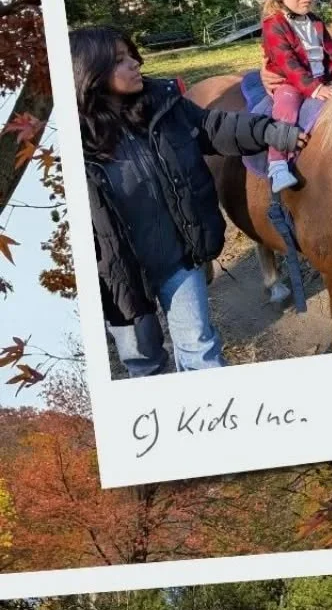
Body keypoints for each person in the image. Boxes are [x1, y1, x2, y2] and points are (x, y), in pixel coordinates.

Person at [72, 27, 305, 378]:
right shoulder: (74, 143)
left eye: (132, 54)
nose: (136, 63)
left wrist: (269, 131)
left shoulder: (163, 105)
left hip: (178, 259)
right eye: (120, 60)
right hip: (121, 280)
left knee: (201, 351)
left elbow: (215, 128)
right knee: (145, 364)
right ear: (89, 73)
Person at [259, 0, 332, 193]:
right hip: (290, 82)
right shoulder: (273, 24)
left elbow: (330, 55)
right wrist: (313, 88)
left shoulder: (316, 22)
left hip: (320, 80)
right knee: (286, 107)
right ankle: (277, 164)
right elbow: (288, 63)